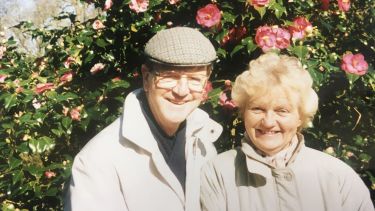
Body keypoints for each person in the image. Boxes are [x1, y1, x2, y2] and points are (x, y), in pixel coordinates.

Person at [65, 27, 222, 211]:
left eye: (195, 79)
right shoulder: (99, 160)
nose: (181, 91)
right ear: (146, 78)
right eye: (170, 77)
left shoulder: (204, 144)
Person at [200, 52, 374, 211]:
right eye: (257, 109)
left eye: (281, 110)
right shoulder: (218, 173)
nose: (268, 122)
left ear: (301, 116)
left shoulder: (338, 177)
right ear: (243, 112)